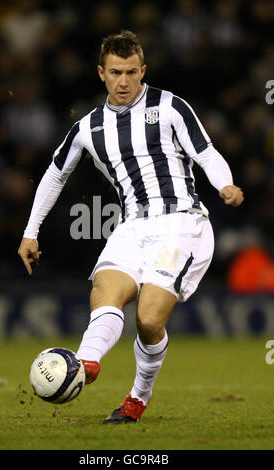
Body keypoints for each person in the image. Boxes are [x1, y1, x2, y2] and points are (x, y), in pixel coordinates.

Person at [18, 30, 244, 423]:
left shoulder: (171, 106)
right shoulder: (88, 127)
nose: (124, 82)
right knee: (106, 291)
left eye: (131, 72)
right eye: (115, 73)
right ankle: (85, 364)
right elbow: (55, 175)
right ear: (101, 73)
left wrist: (224, 183)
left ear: (143, 71)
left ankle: (138, 397)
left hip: (181, 224)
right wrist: (30, 230)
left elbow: (205, 152)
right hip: (131, 227)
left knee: (149, 319)